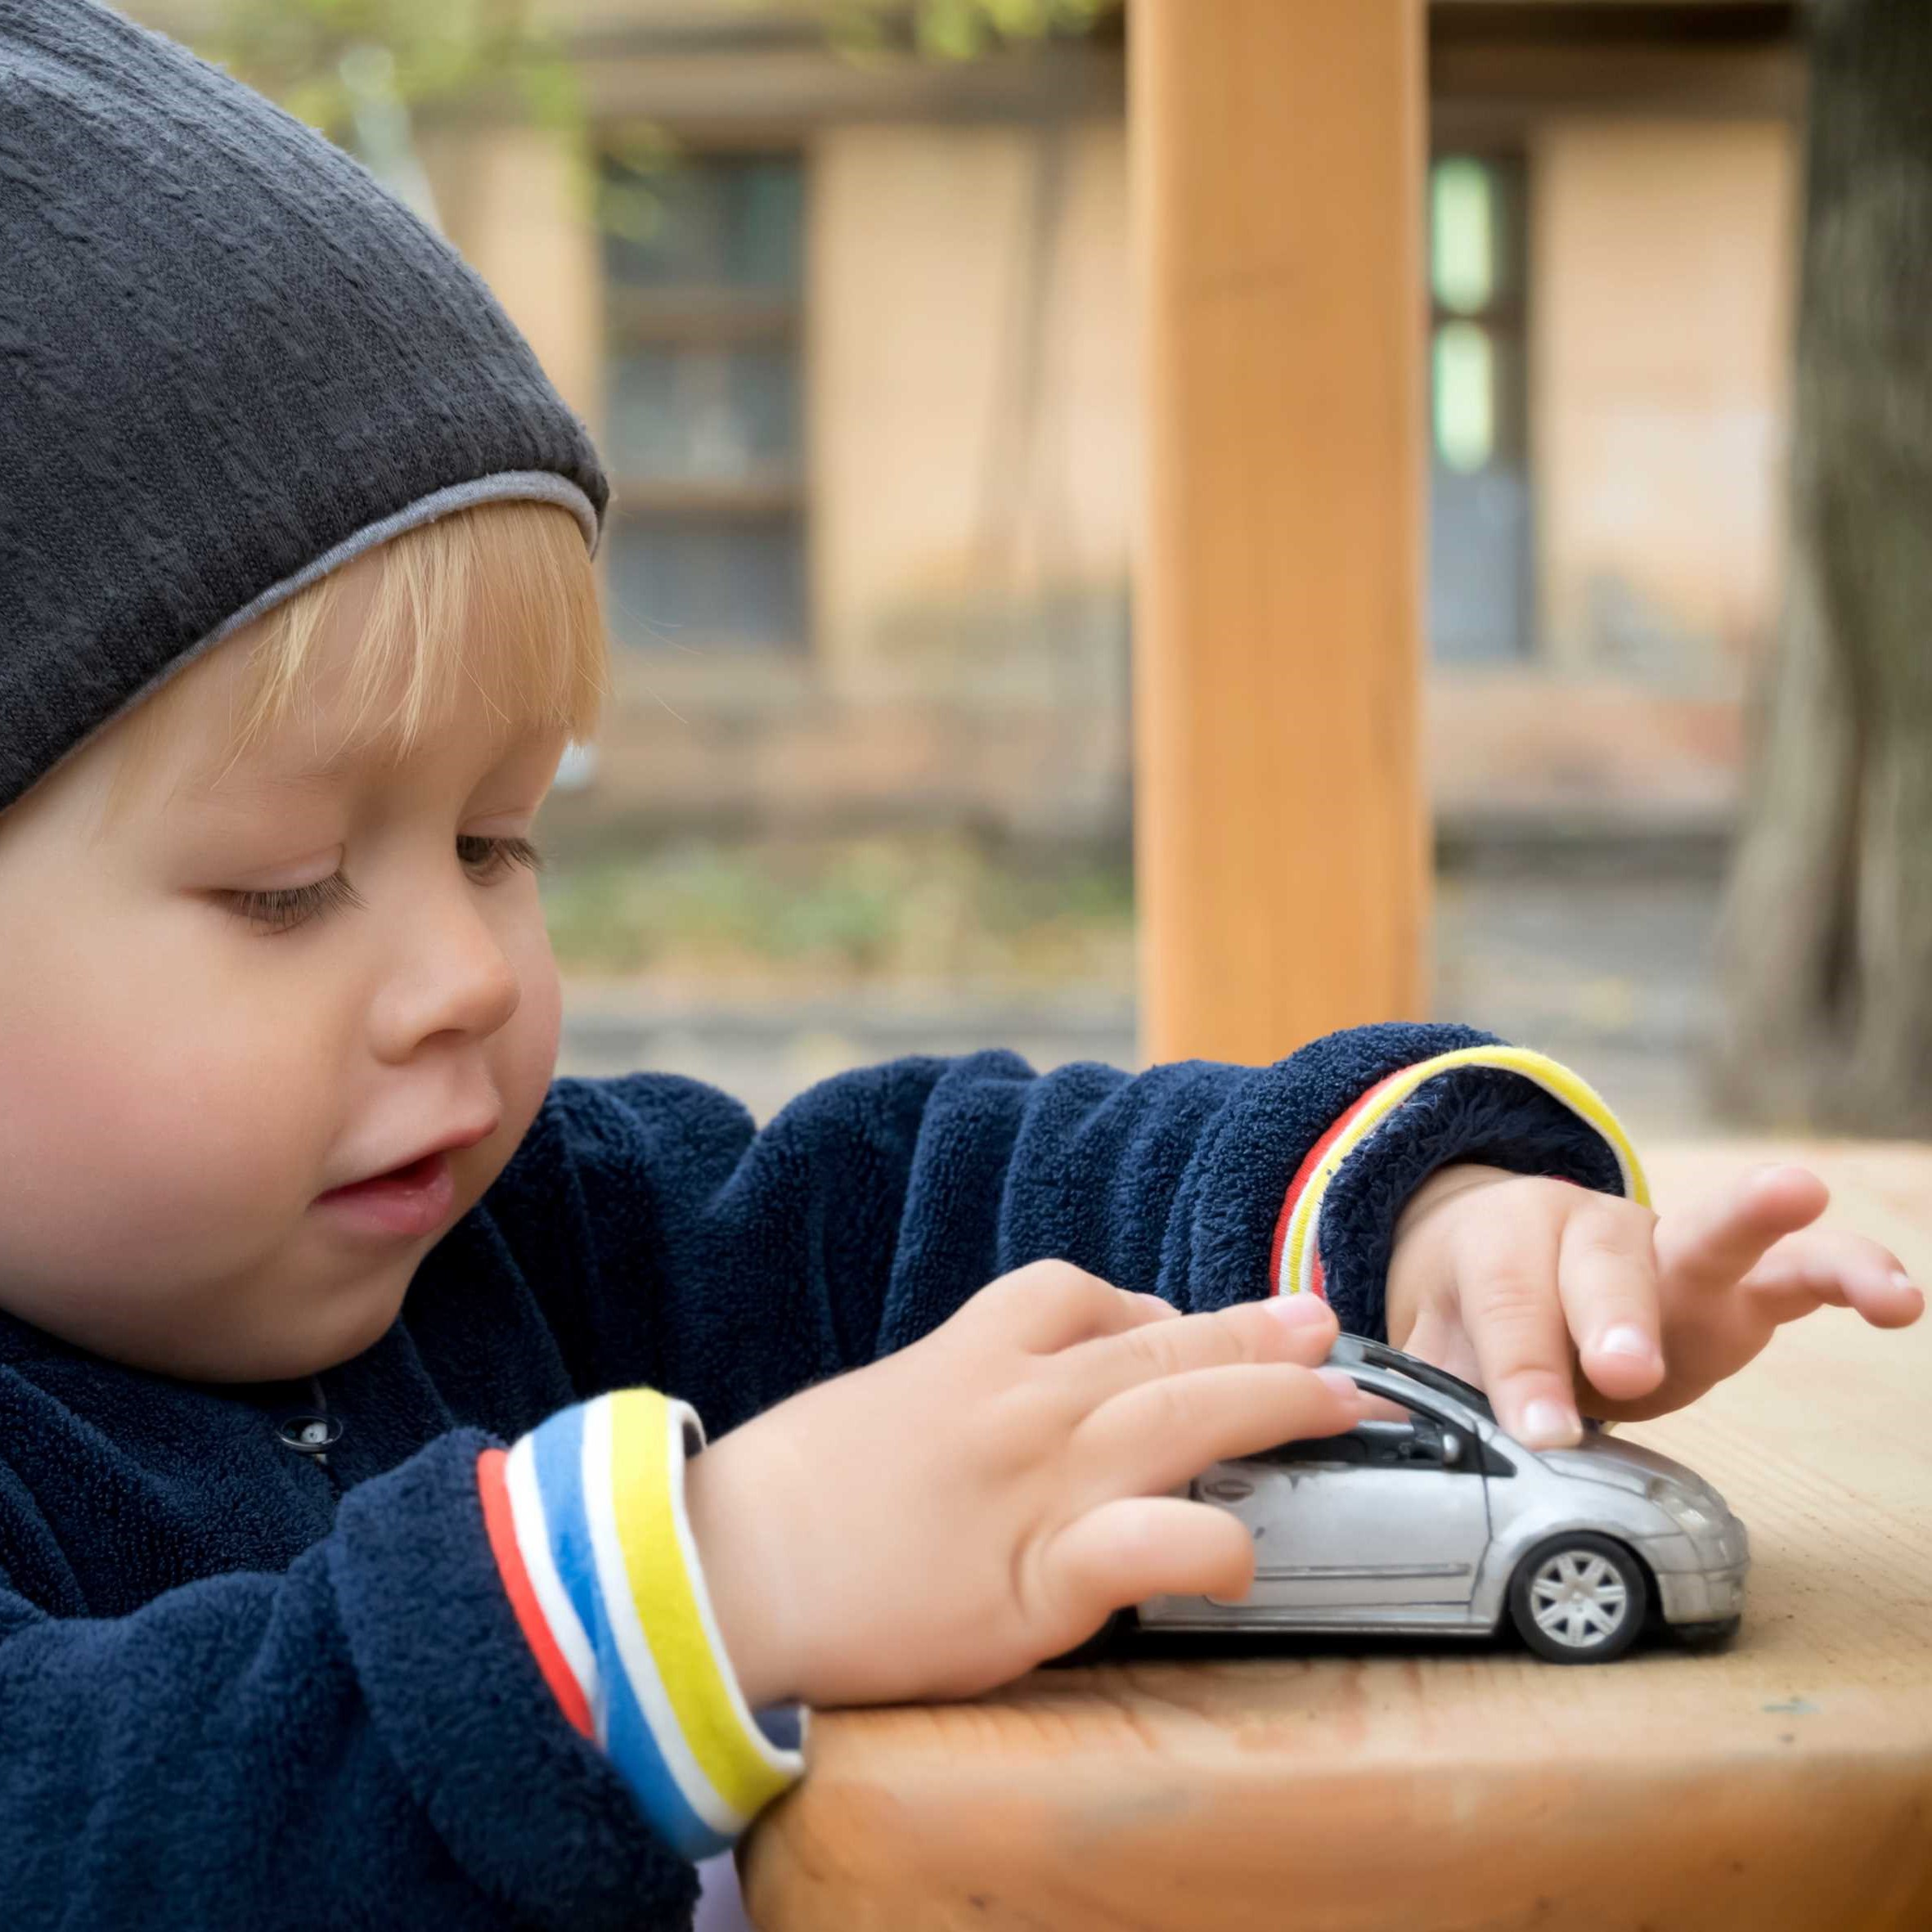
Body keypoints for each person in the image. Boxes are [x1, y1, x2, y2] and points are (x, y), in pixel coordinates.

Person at [0, 4, 1920, 1927]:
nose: (463, 972)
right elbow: (96, 1815)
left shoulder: (521, 1240)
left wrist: (1414, 1235)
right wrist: (710, 1577)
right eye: (281, 884)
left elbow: (930, 1195)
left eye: (497, 840)